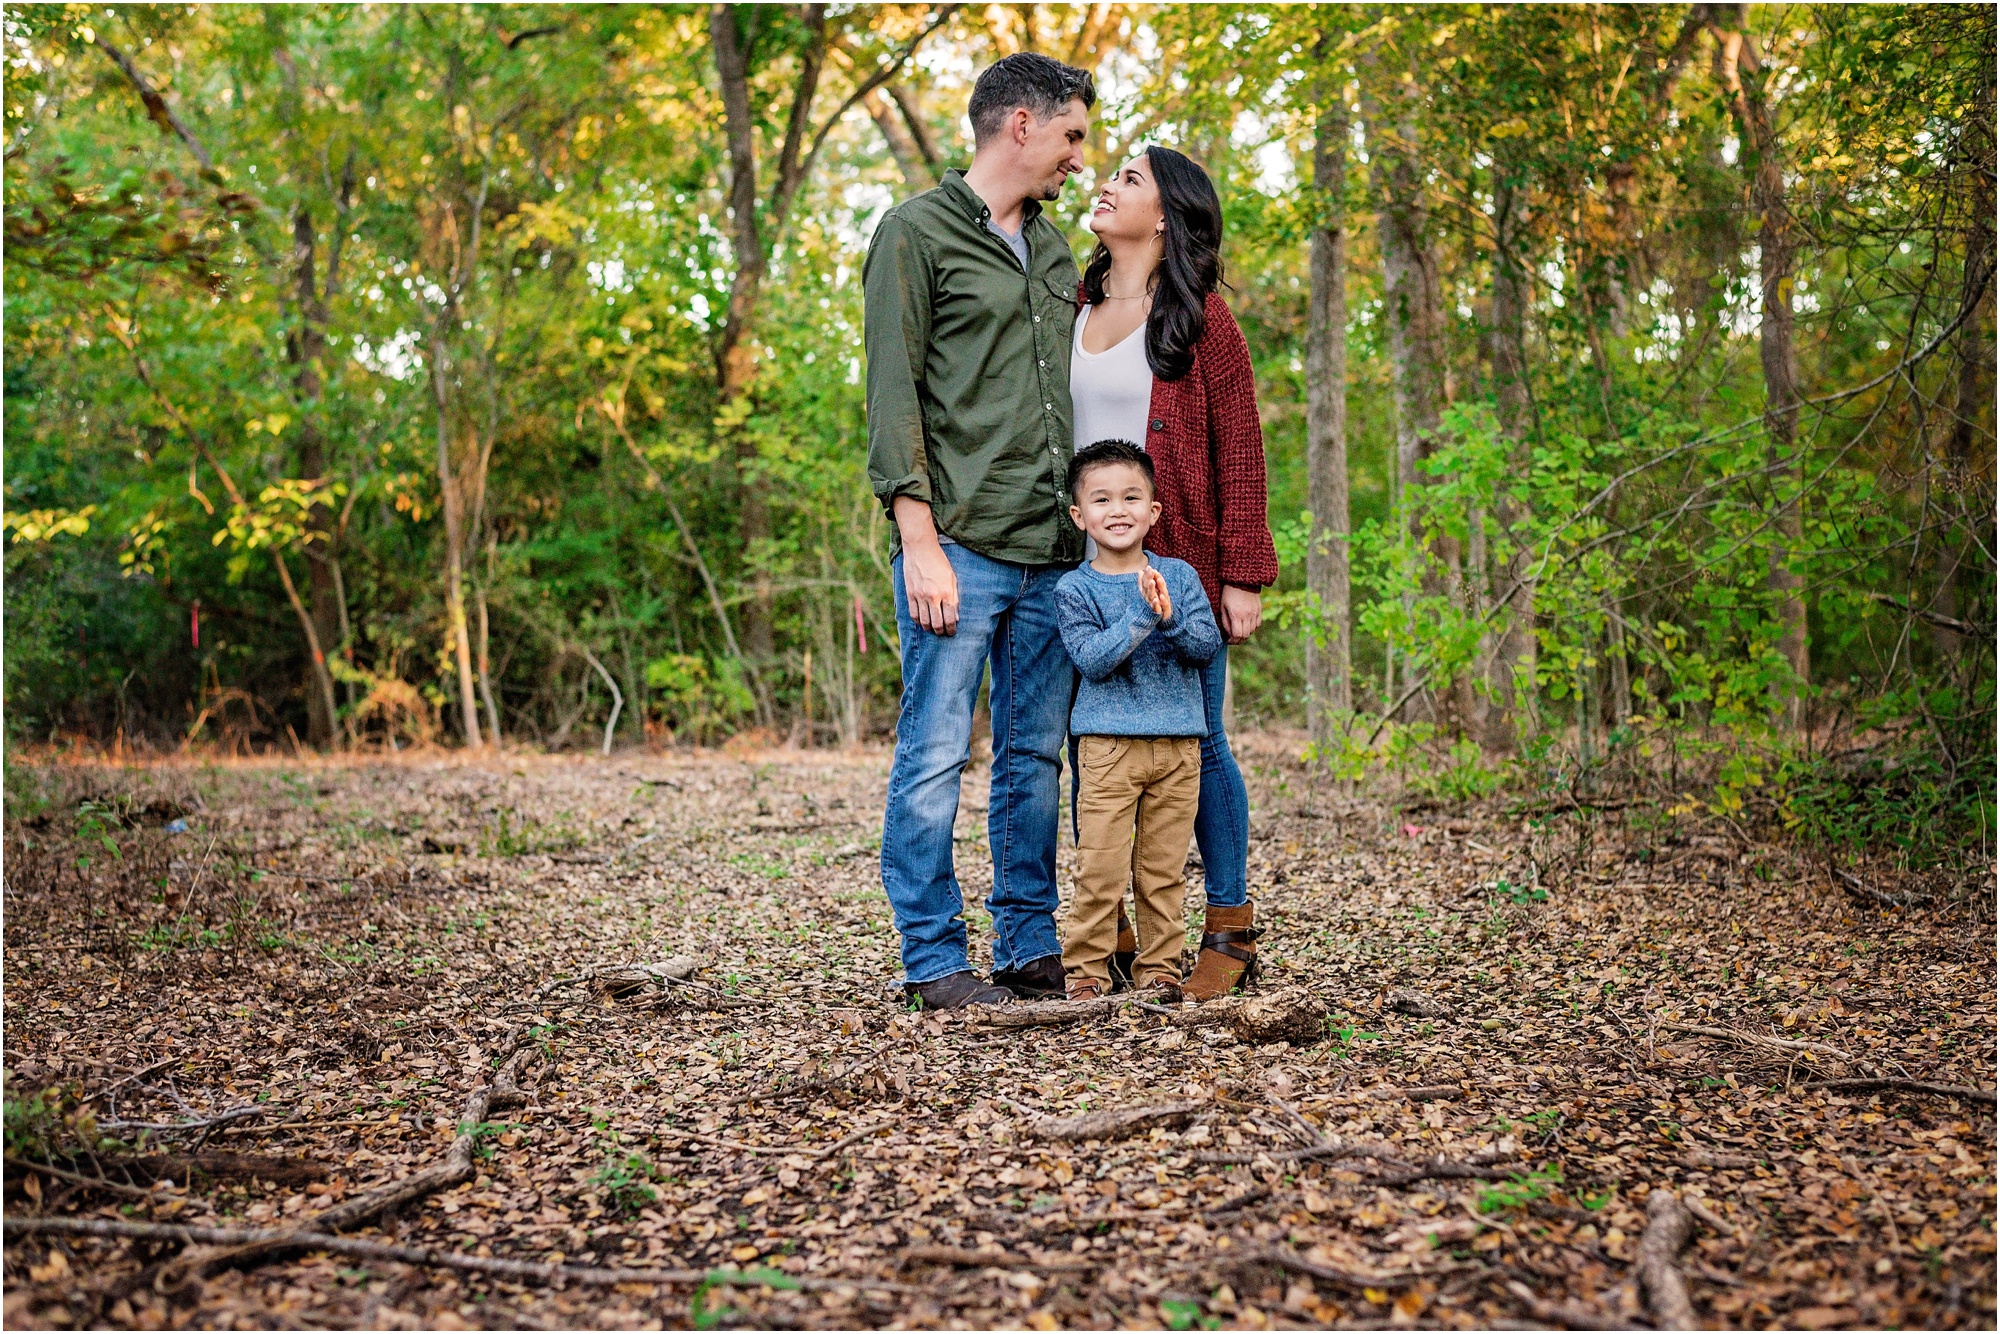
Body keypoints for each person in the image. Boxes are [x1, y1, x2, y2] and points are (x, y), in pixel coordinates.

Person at [864, 53, 1097, 1010]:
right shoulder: (914, 232)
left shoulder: (1055, 251)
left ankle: (1028, 946)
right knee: (933, 758)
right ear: (1020, 125)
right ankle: (932, 961)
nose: (1079, 157)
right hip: (958, 543)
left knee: (1032, 761)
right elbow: (893, 395)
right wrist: (919, 543)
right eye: (1071, 135)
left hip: (1053, 549)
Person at [1069, 145, 1278, 1001]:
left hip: (1182, 566)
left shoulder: (1203, 321)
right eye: (1110, 171)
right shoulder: (1072, 303)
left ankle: (1230, 925)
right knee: (1090, 738)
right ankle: (1112, 926)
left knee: (1202, 742)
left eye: (1130, 179)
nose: (1106, 183)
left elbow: (1243, 449)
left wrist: (1242, 574)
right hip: (1085, 571)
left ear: (1163, 216)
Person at [1055, 441, 1222, 1002]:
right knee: (1100, 868)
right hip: (1107, 750)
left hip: (1178, 749)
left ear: (1153, 511)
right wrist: (1140, 614)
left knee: (1163, 871)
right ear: (1080, 516)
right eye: (1101, 500)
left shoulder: (1180, 576)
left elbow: (1204, 647)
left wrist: (1169, 617)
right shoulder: (1075, 588)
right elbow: (1092, 660)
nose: (1117, 510)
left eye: (1131, 497)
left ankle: (1160, 969)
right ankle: (1086, 971)